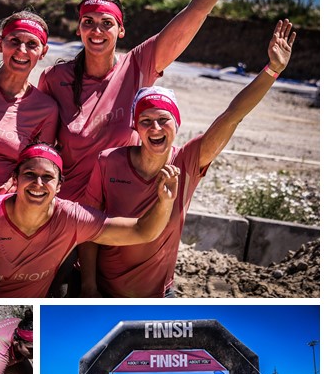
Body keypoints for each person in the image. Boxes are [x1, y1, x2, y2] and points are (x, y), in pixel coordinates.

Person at [38, 0, 264, 204]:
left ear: (121, 30)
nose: (97, 31)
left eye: (106, 23)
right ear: (78, 28)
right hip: (66, 209)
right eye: (88, 22)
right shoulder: (54, 78)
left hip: (119, 210)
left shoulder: (138, 65)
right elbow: (40, 149)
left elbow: (198, 10)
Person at [81, 18, 296, 297]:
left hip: (159, 296)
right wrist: (88, 287)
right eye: (145, 120)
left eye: (163, 119)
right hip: (103, 292)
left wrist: (272, 71)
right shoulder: (108, 161)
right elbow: (89, 228)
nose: (155, 128)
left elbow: (232, 116)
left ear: (176, 124)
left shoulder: (187, 162)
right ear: (135, 126)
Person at [0, 142, 180, 297]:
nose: (38, 184)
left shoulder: (71, 218)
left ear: (60, 186)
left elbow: (142, 232)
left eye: (48, 177)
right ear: (15, 179)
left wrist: (164, 202)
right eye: (30, 174)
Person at [0, 10, 59, 202]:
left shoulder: (46, 109)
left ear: (44, 52)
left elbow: (40, 164)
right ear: (1, 44)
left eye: (32, 44)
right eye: (14, 41)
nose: (21, 50)